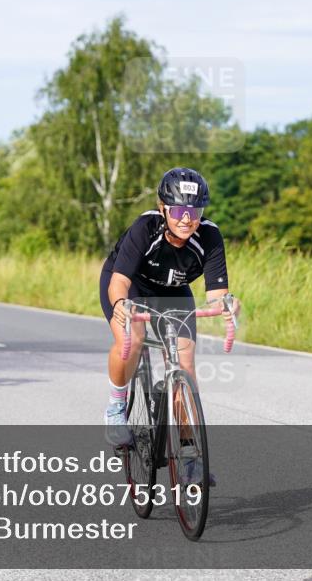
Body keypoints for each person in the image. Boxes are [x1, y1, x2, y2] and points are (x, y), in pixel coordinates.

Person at [99, 168, 240, 482]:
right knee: (133, 338)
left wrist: (229, 304)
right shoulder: (144, 228)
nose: (186, 219)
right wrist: (121, 305)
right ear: (163, 208)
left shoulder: (210, 236)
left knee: (184, 366)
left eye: (194, 211)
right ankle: (115, 407)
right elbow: (119, 281)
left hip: (172, 290)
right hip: (130, 285)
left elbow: (217, 295)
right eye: (178, 210)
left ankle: (189, 455)